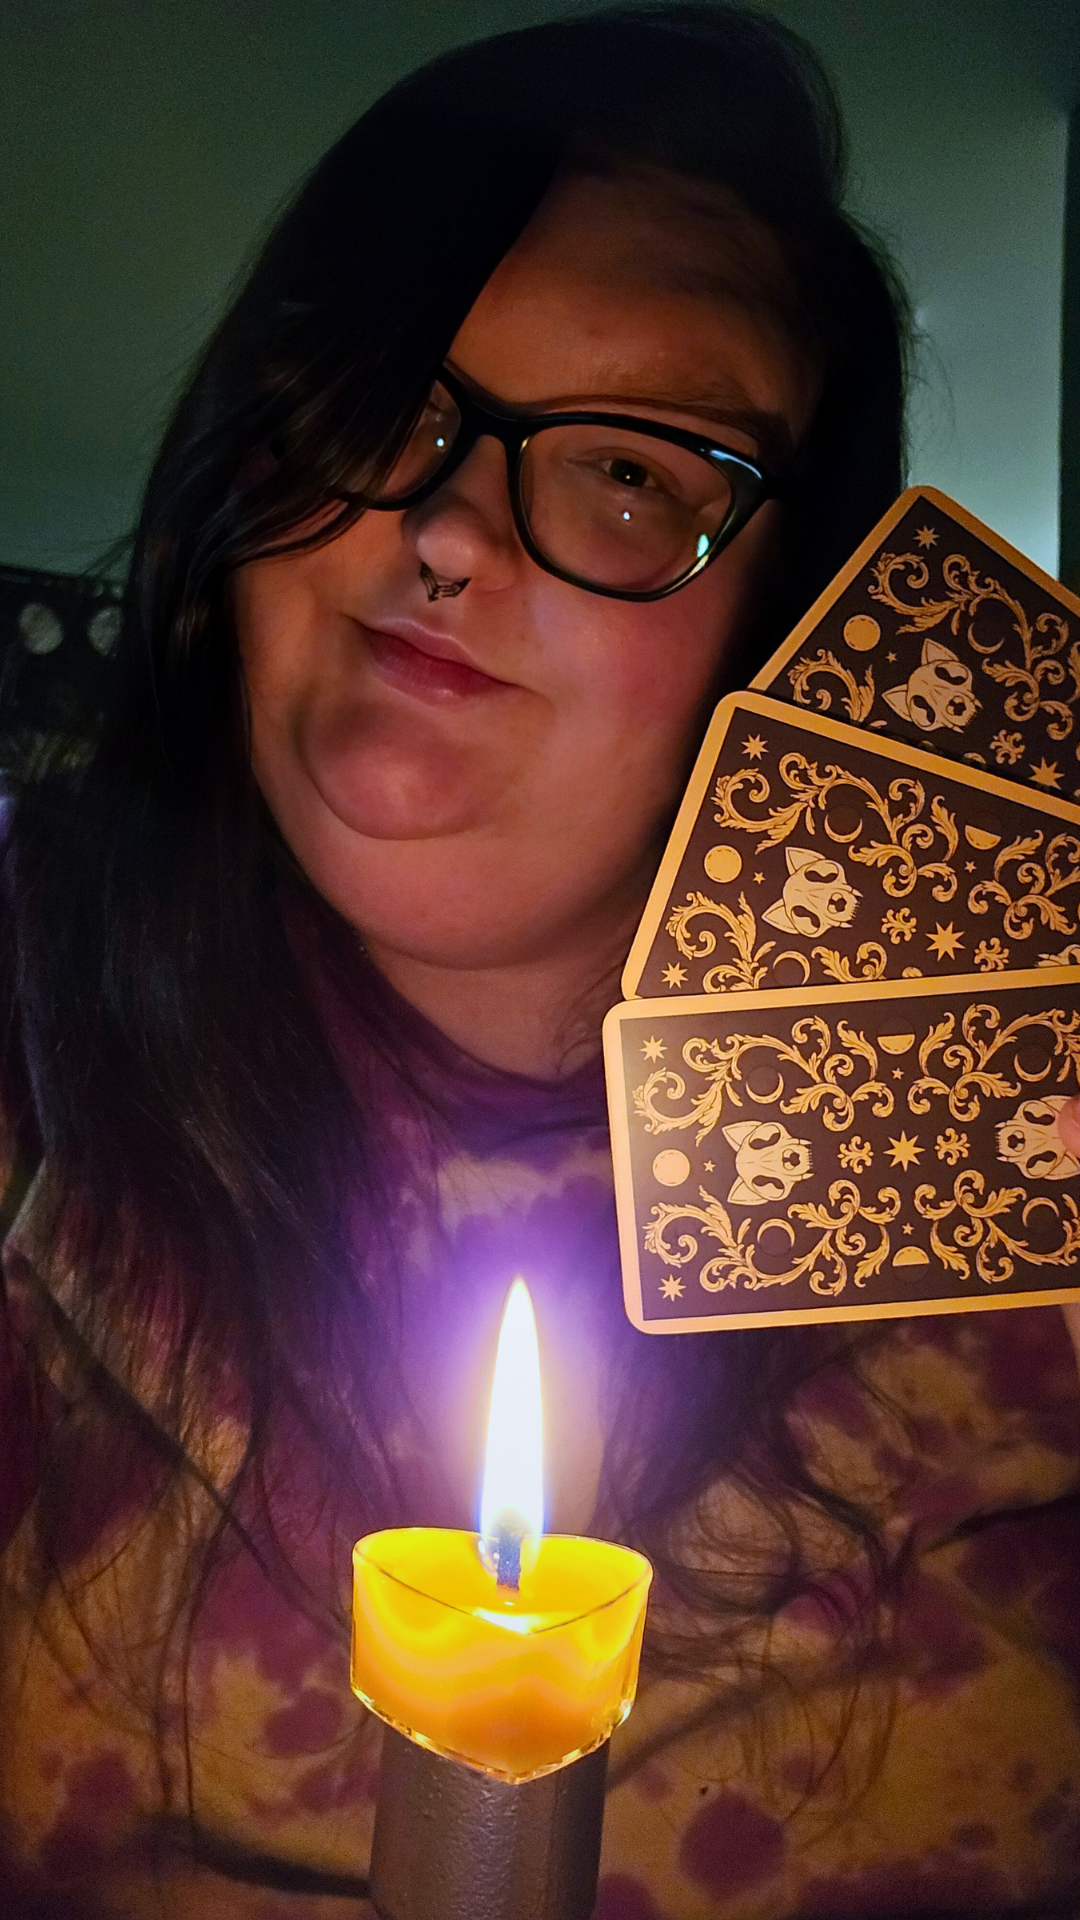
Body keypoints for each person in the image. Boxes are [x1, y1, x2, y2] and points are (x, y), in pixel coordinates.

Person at [2, 7, 1079, 1916]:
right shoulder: (28, 1021)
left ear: (789, 633)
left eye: (634, 475)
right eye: (379, 399)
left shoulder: (1015, 1197)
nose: (440, 526)